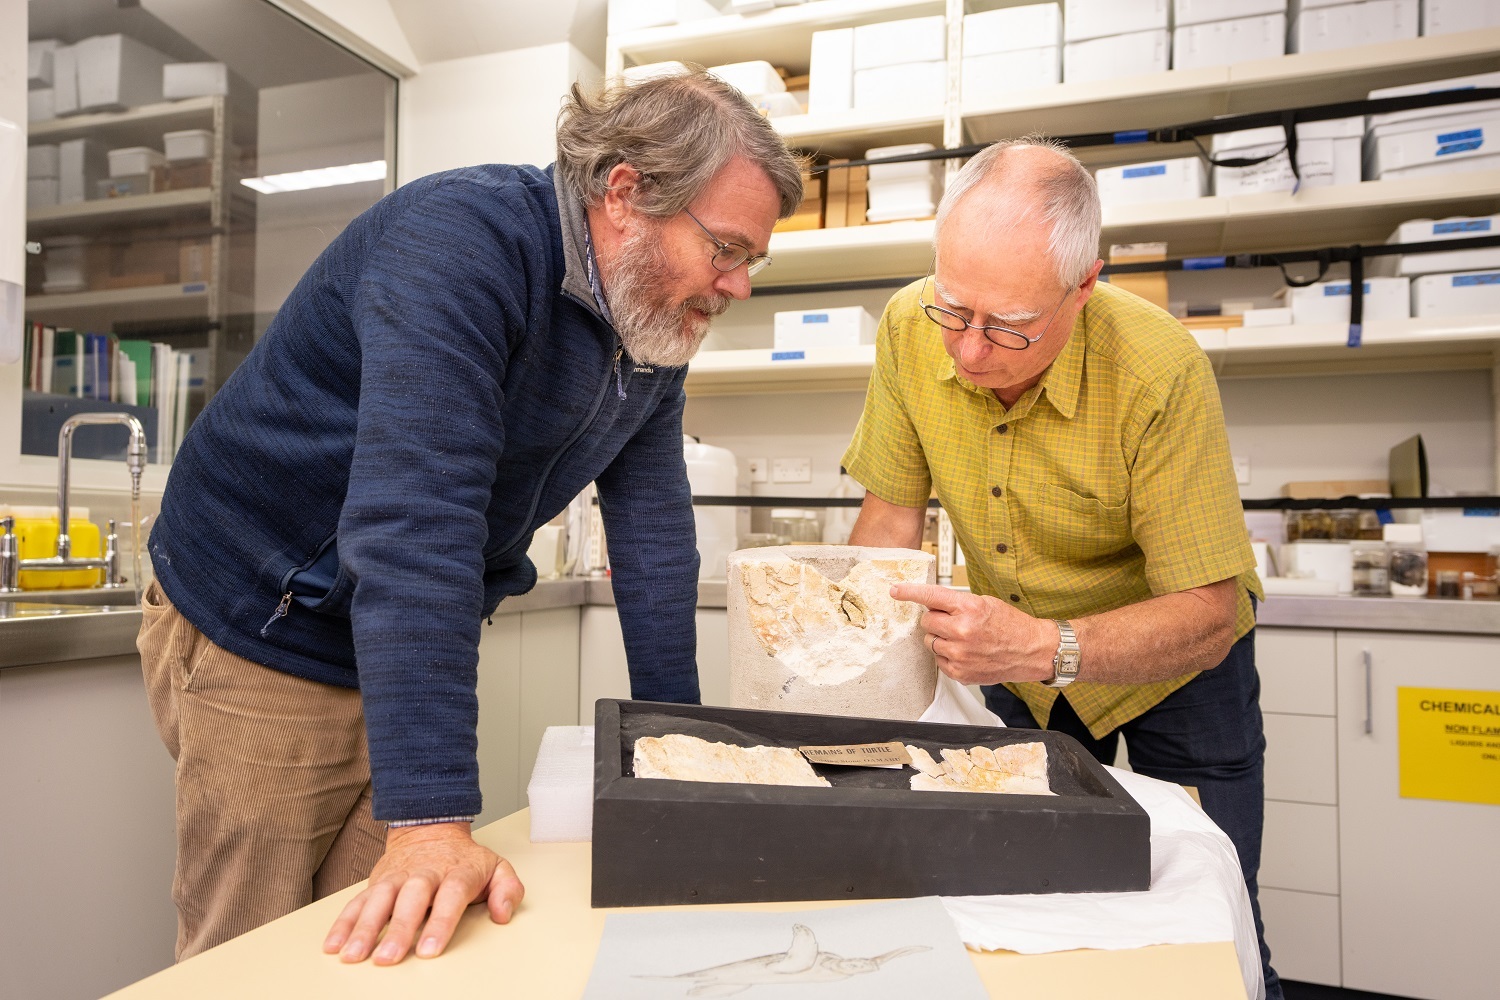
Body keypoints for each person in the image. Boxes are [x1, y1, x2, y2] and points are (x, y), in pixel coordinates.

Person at [136, 70, 802, 966]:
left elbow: (651, 529)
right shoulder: (462, 240)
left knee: (382, 948)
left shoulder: (650, 324)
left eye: (751, 259)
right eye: (726, 247)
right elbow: (418, 523)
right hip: (267, 619)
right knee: (250, 955)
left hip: (397, 637)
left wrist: (670, 748)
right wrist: (432, 818)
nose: (738, 284)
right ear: (628, 192)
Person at [841, 138, 1280, 1000]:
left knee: (1205, 915)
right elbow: (891, 519)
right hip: (1017, 662)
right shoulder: (906, 325)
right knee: (1024, 903)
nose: (968, 351)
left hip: (1176, 674)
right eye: (954, 308)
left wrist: (1046, 645)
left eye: (1008, 327)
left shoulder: (1158, 369)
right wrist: (847, 679)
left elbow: (1209, 613)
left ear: (1085, 286)